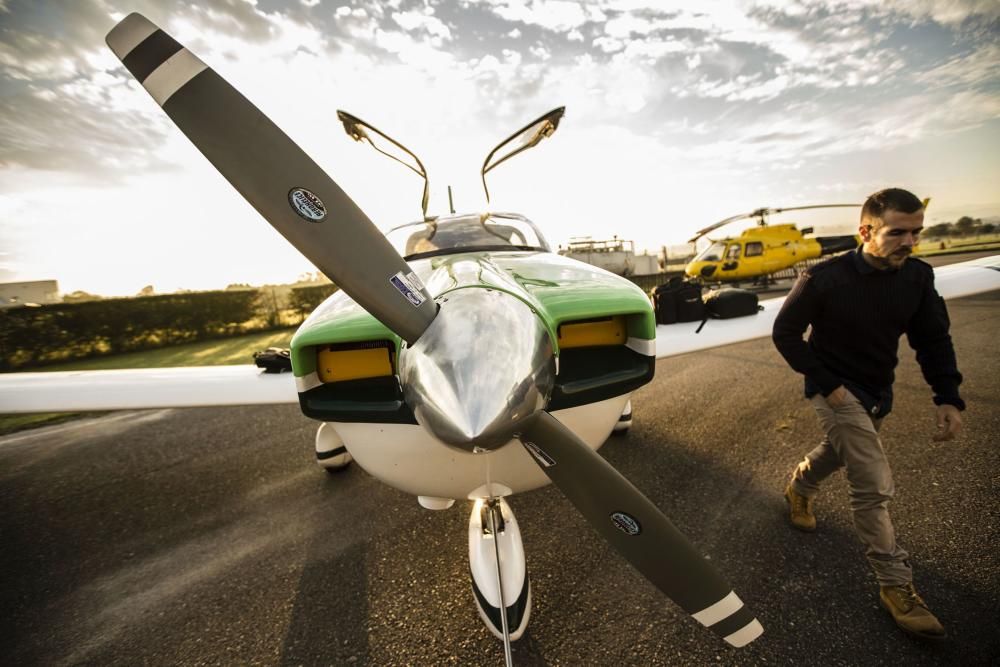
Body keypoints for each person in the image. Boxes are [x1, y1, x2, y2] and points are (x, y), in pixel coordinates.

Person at [771, 188, 964, 640]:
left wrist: (948, 397)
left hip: (878, 388)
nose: (910, 242)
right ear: (866, 231)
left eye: (917, 233)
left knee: (840, 454)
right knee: (872, 482)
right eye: (898, 232)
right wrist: (831, 387)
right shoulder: (824, 278)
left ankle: (800, 485)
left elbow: (933, 340)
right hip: (834, 388)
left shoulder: (917, 277)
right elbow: (786, 333)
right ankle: (896, 586)